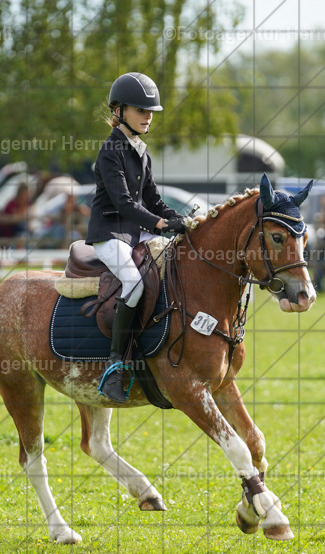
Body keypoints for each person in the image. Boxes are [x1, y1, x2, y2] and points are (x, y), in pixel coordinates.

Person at [86, 72, 189, 402]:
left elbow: (154, 199)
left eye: (150, 112)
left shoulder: (140, 152)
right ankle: (116, 363)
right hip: (109, 234)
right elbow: (124, 203)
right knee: (134, 282)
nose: (148, 117)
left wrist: (181, 219)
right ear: (118, 111)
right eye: (141, 110)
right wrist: (160, 225)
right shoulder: (110, 150)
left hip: (133, 233)